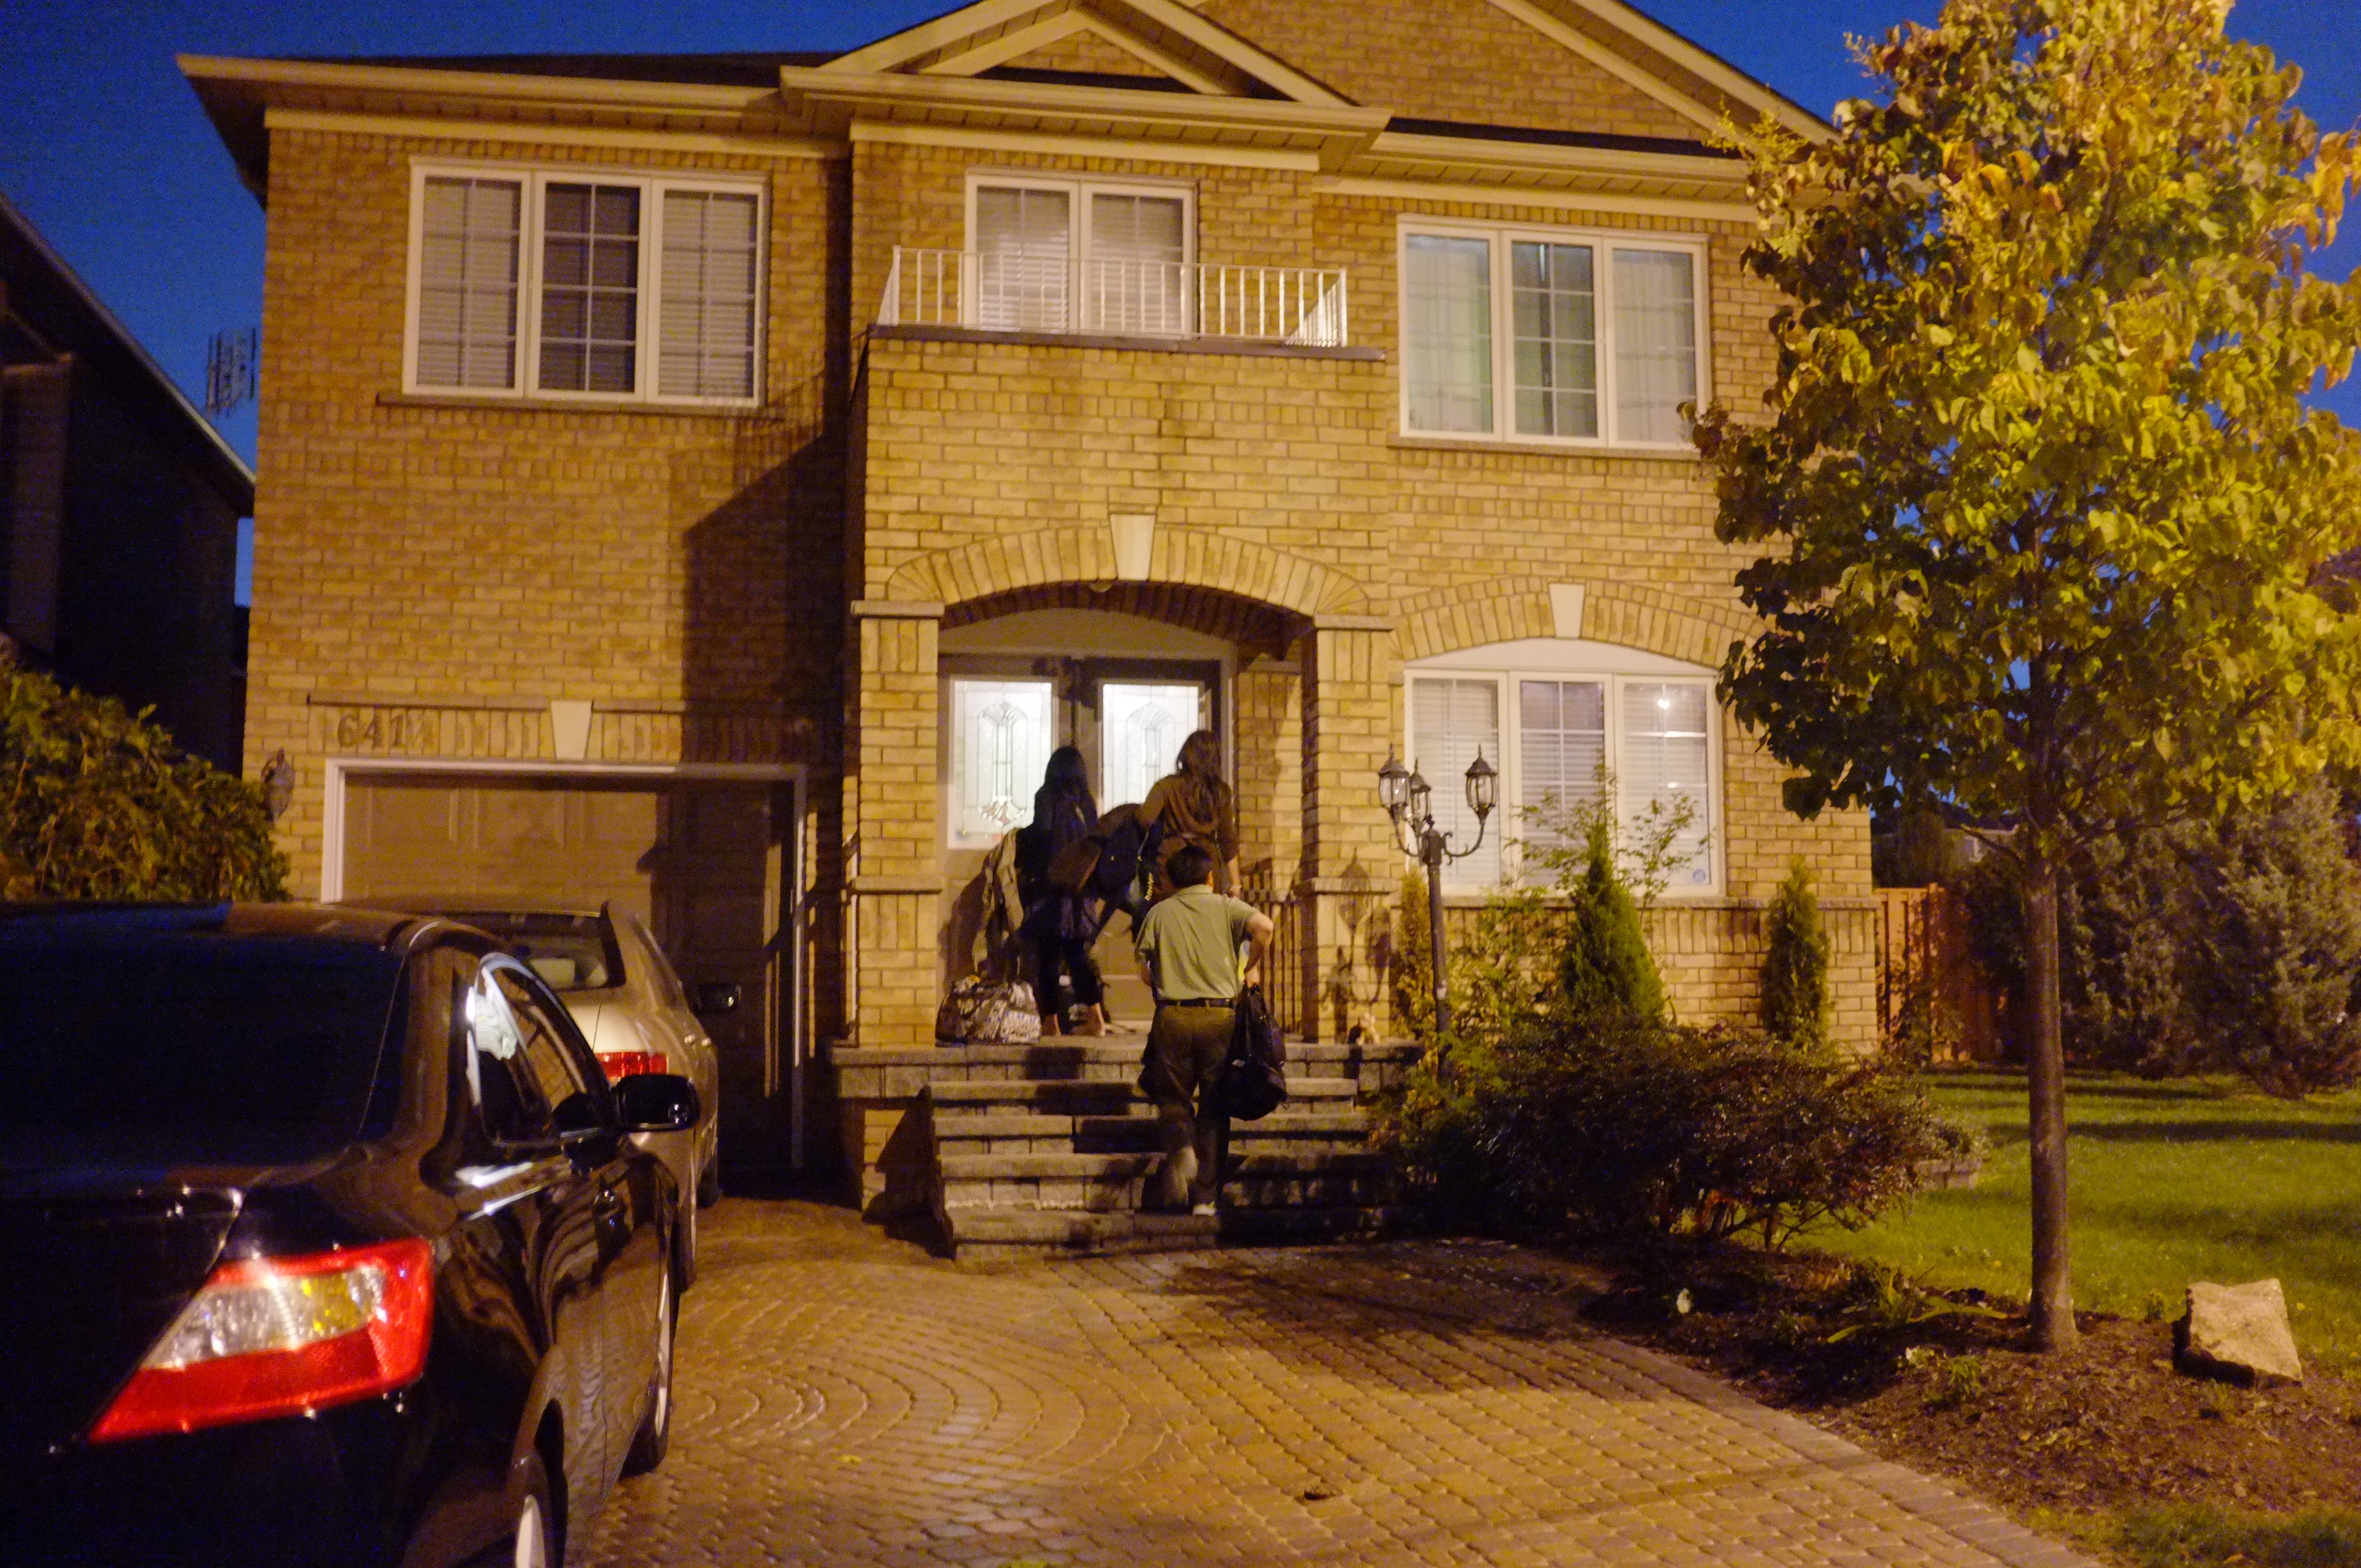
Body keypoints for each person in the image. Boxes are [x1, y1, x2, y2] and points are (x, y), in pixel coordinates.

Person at [1133, 842, 1274, 1214]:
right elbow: (1264, 927)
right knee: (1214, 1105)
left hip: (1173, 1016)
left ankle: (1182, 1148)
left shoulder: (1159, 913)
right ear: (1211, 878)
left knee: (1172, 1096)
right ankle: (1205, 1198)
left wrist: (1167, 978)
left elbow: (1145, 972)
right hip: (1219, 1018)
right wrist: (1248, 966)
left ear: (1172, 880)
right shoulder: (1227, 907)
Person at [1016, 745, 1106, 1036]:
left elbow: (1041, 833)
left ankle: (1050, 1022)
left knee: (1049, 958)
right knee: (1078, 956)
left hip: (1052, 891)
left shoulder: (1047, 796)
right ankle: (1096, 1017)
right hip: (1080, 893)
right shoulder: (1087, 803)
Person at [1139, 728, 1239, 897]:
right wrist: (1236, 884)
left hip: (1171, 862)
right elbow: (1227, 840)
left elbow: (1144, 818)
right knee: (1205, 911)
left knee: (1169, 909)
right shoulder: (1221, 792)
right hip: (1206, 867)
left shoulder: (1166, 786)